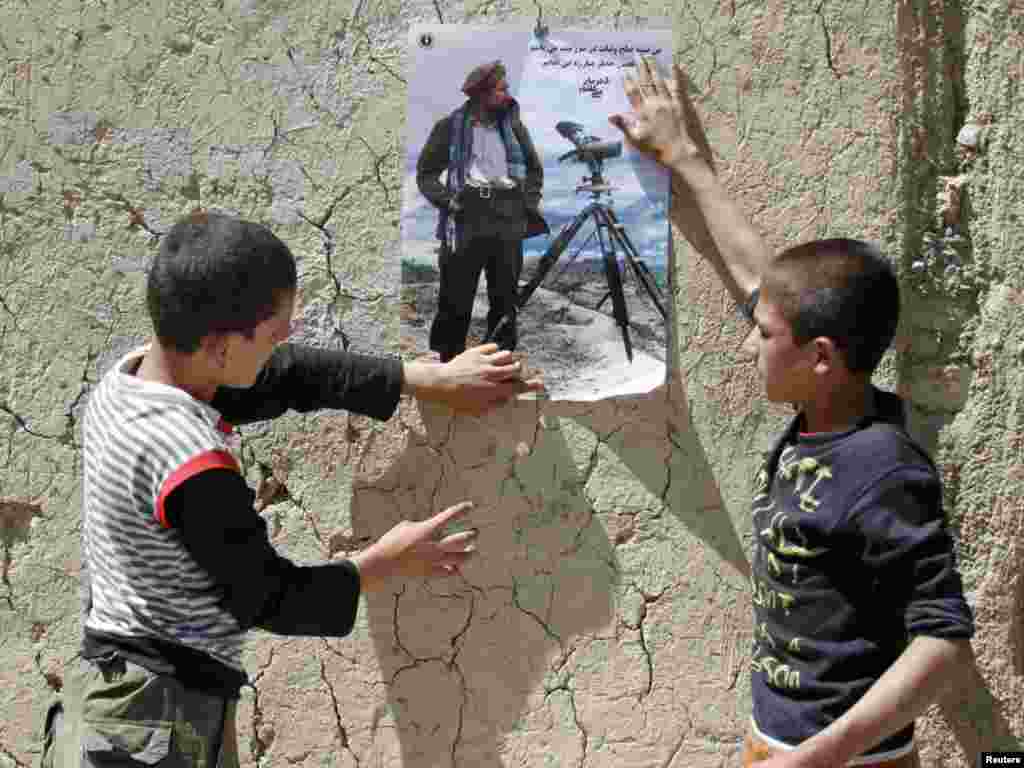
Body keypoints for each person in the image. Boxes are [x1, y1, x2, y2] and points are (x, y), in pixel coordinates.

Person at [39, 211, 542, 766]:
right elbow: (267, 596)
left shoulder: (135, 377)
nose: (287, 339)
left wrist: (426, 378)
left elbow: (289, 374)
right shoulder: (190, 461)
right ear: (219, 347)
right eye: (275, 331)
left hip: (123, 698)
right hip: (152, 725)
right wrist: (387, 560)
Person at [611, 59, 974, 767]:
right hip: (773, 743)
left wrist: (817, 758)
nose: (749, 341)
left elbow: (943, 640)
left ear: (821, 358)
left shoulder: (883, 468)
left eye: (764, 334)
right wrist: (682, 156)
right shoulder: (829, 405)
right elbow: (761, 279)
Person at [416, 59, 548, 362]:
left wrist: (527, 203)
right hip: (465, 215)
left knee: (505, 300)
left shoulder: (514, 127)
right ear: (482, 93)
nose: (507, 95)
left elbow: (533, 170)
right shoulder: (450, 126)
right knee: (455, 298)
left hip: (507, 216)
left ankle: (498, 362)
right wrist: (448, 202)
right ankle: (449, 363)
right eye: (501, 89)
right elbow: (425, 174)